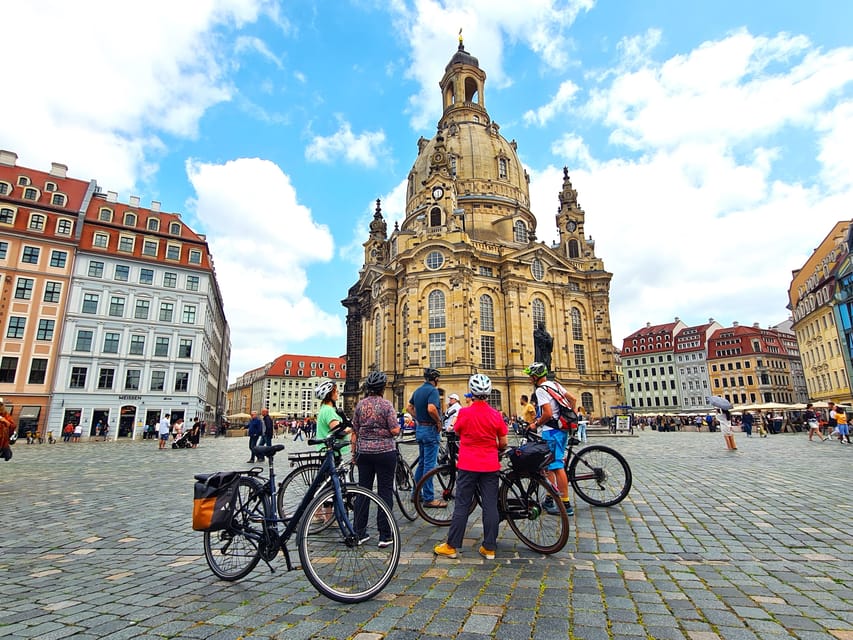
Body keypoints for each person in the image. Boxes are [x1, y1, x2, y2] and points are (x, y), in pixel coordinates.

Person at [434, 374, 508, 560]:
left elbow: (457, 430)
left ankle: (451, 546)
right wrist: (492, 447)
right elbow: (503, 443)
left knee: (462, 505)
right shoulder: (495, 415)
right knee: (490, 505)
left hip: (468, 464)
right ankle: (489, 548)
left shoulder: (465, 413)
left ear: (472, 393)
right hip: (490, 465)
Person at [351, 370, 400, 547]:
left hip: (364, 453)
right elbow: (395, 430)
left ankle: (359, 532)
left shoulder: (360, 405)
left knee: (363, 491)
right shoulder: (387, 405)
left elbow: (354, 431)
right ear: (383, 387)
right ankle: (385, 535)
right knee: (385, 492)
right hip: (385, 453)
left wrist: (353, 453)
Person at [524, 361, 575, 516]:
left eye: (530, 376)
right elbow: (572, 399)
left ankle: (565, 504)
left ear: (535, 376)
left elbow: (546, 413)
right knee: (550, 465)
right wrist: (566, 417)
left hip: (551, 431)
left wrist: (535, 424)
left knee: (557, 466)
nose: (529, 378)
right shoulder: (556, 385)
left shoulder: (540, 390)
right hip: (561, 429)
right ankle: (549, 499)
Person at [408, 368, 446, 508]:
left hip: (420, 429)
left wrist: (418, 418)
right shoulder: (433, 391)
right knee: (430, 465)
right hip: (430, 429)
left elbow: (409, 408)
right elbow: (431, 408)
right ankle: (429, 498)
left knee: (422, 463)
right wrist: (438, 421)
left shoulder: (418, 390)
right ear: (435, 379)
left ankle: (416, 493)